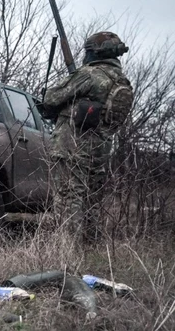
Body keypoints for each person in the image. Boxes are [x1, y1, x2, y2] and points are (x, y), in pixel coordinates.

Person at [43, 31, 133, 244]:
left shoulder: (90, 74)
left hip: (72, 145)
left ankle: (68, 251)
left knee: (68, 197)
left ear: (94, 52)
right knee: (91, 199)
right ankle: (90, 247)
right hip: (100, 147)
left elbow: (51, 98)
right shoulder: (121, 81)